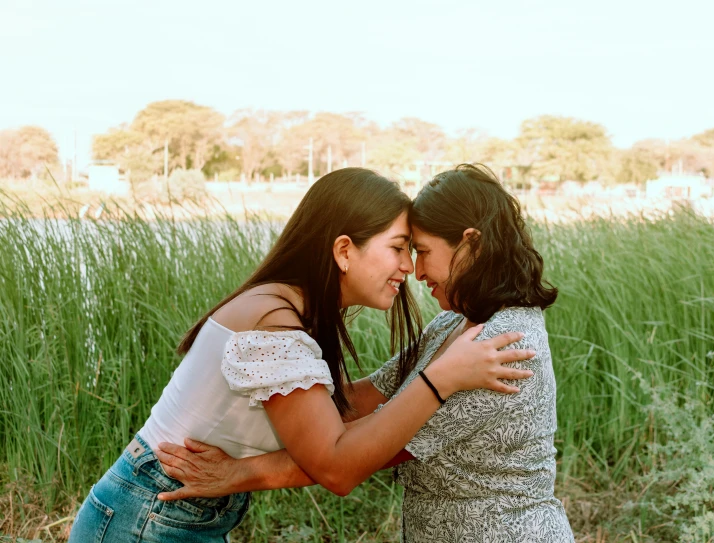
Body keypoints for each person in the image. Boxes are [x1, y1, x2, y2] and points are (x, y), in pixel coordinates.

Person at [67, 167, 534, 543]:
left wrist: (240, 474)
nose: (408, 267)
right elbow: (335, 465)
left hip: (173, 511)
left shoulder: (283, 308)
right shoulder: (274, 327)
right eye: (398, 248)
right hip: (151, 515)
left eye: (414, 251)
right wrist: (441, 380)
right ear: (344, 251)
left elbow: (361, 400)